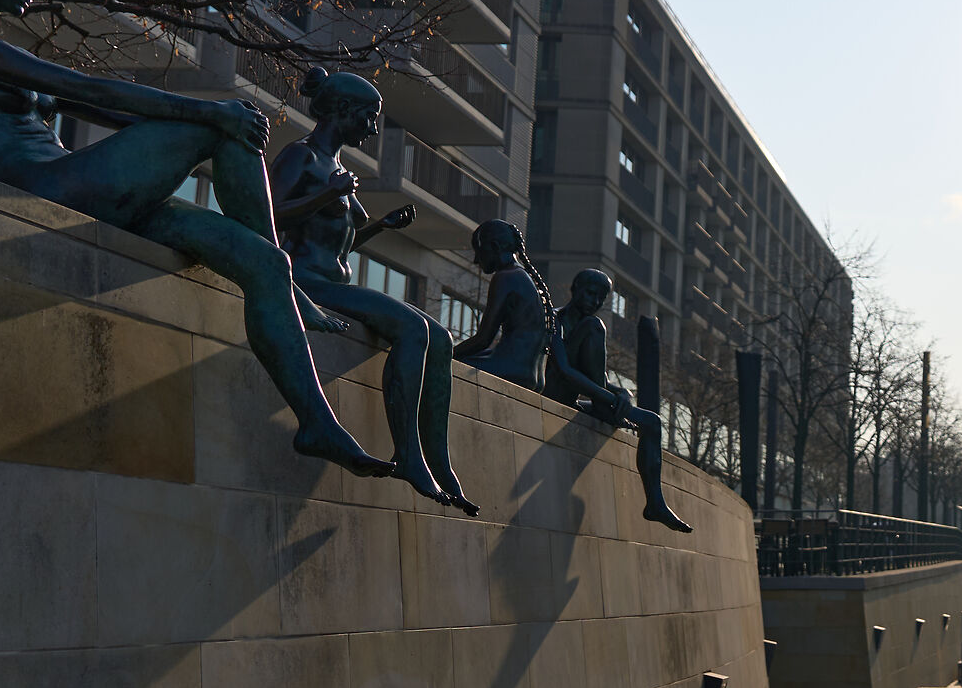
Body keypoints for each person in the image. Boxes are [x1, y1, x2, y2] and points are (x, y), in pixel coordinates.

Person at [0, 0, 394, 480]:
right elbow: (82, 86)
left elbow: (106, 112)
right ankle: (294, 292)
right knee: (225, 130)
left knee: (261, 260)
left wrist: (191, 126)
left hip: (78, 182)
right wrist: (206, 114)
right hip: (40, 187)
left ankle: (316, 422)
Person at [270, 70, 475, 514]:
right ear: (342, 110)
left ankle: (438, 461)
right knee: (412, 329)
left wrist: (381, 226)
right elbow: (267, 218)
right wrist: (325, 196)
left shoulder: (339, 170)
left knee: (440, 338)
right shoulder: (300, 157)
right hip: (304, 283)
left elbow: (338, 242)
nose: (373, 128)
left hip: (334, 283)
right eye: (369, 117)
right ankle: (409, 457)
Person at [541, 267, 694, 532]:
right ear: (575, 289)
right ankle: (655, 503)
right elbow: (564, 371)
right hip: (554, 395)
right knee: (593, 325)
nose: (595, 301)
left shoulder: (588, 326)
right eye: (591, 293)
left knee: (652, 422)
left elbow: (595, 378)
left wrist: (622, 393)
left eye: (601, 297)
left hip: (581, 400)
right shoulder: (554, 320)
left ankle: (655, 503)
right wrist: (609, 398)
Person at [451, 219, 551, 391]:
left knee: (440, 364)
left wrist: (447, 352)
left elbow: (483, 340)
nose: (476, 260)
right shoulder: (525, 278)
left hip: (510, 369)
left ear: (495, 247)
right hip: (534, 376)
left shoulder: (506, 277)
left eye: (479, 251)